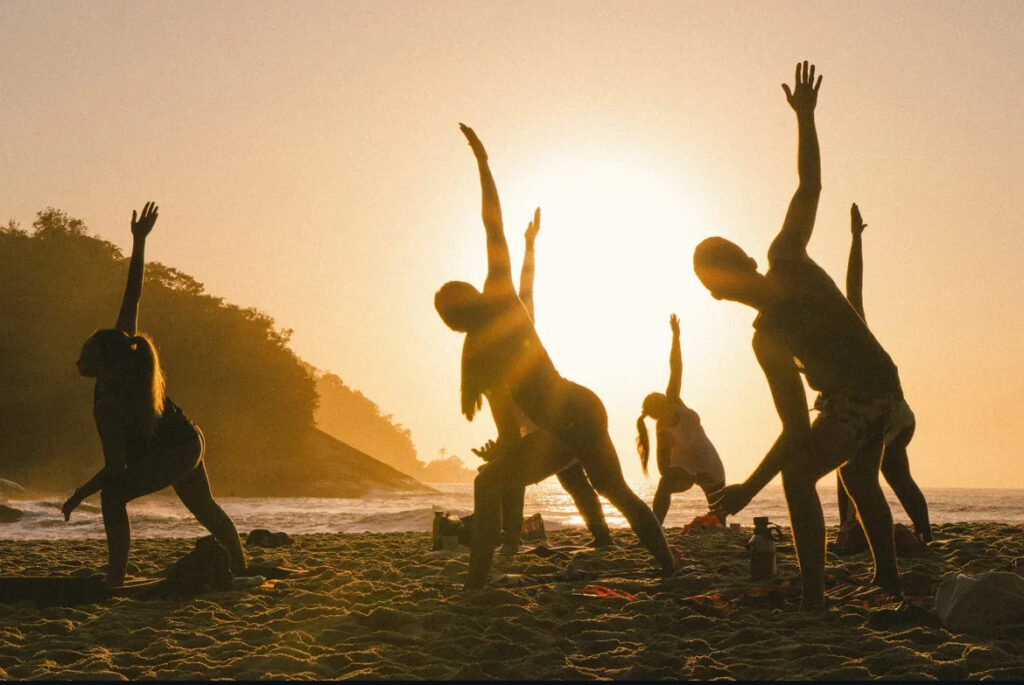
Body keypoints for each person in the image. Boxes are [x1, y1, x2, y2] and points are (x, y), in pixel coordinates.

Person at [695, 63, 906, 610]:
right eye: (718, 285)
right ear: (717, 296)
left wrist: (806, 118)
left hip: (871, 389)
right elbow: (793, 426)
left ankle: (815, 599)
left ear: (746, 262)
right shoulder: (765, 339)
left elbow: (809, 186)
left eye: (726, 274)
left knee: (800, 475)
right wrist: (746, 486)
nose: (727, 288)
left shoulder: (786, 258)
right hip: (864, 396)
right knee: (859, 479)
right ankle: (888, 578)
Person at [435, 124, 675, 588]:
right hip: (580, 407)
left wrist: (484, 164)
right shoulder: (484, 348)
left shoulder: (499, 307)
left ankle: (476, 582)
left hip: (570, 416)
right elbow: (508, 430)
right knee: (615, 491)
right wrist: (503, 455)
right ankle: (668, 566)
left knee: (492, 484)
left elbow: (492, 225)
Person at [61, 202, 246, 588]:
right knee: (202, 505)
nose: (79, 356)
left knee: (113, 496)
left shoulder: (111, 404)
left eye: (87, 353)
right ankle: (239, 566)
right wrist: (139, 241)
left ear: (104, 362)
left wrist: (81, 493)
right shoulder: (124, 355)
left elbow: (115, 470)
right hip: (188, 439)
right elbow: (133, 295)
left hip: (176, 449)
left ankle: (115, 579)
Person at [473, 208, 613, 554]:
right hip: (538, 428)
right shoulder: (488, 361)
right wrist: (498, 445)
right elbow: (506, 423)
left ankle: (595, 535)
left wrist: (529, 246)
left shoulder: (520, 330)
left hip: (557, 420)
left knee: (571, 480)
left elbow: (526, 287)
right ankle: (517, 537)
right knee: (565, 479)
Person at [834, 203, 930, 543]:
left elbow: (854, 287)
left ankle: (856, 529)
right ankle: (855, 527)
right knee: (871, 470)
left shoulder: (855, 330)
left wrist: (855, 240)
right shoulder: (827, 352)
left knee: (865, 466)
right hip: (886, 417)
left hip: (895, 416)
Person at [636, 314, 726, 526]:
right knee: (665, 484)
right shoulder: (662, 430)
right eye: (661, 400)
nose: (665, 398)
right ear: (657, 411)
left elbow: (676, 366)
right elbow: (663, 470)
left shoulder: (674, 400)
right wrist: (684, 475)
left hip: (708, 460)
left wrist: (676, 336)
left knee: (719, 516)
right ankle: (656, 526)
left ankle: (713, 523)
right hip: (683, 467)